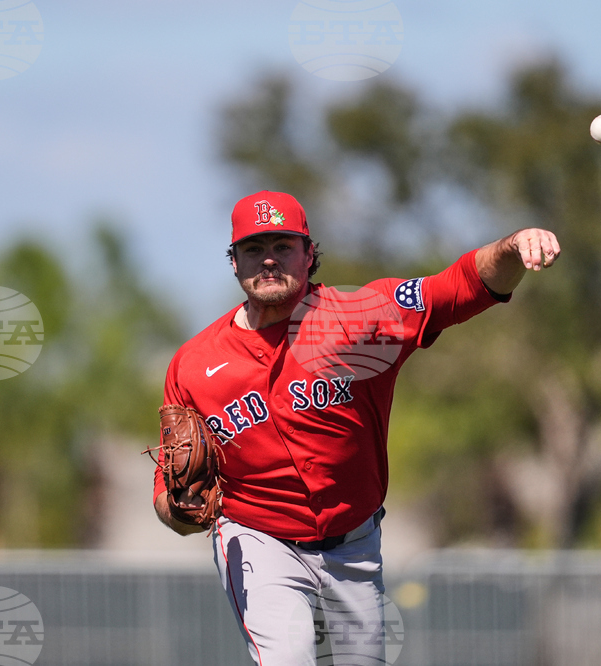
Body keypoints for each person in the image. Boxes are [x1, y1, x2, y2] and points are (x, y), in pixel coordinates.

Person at [153, 190, 560, 665]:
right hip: (258, 540)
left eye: (283, 246)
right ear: (234, 261)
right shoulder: (194, 364)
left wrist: (512, 246)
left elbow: (460, 286)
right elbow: (167, 493)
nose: (268, 260)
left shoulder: (361, 318)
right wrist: (180, 509)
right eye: (253, 248)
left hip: (355, 545)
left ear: (309, 254)